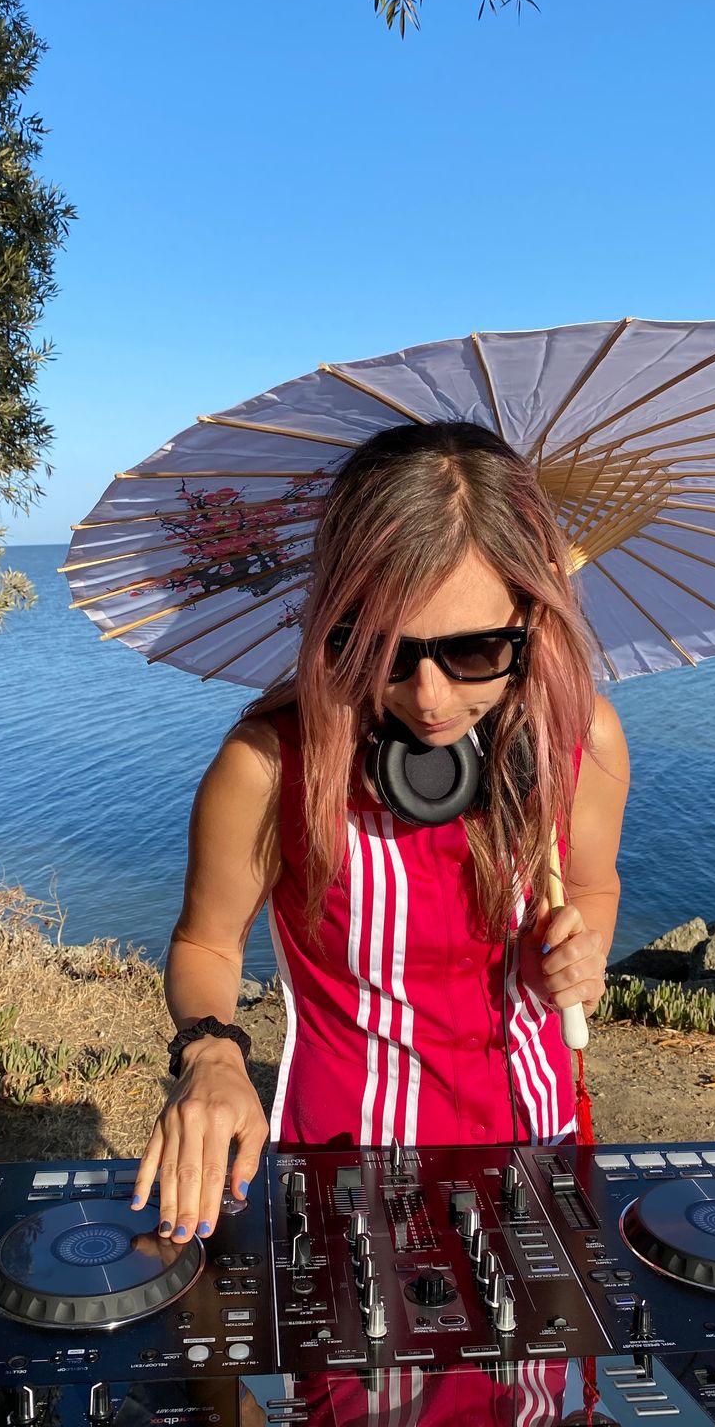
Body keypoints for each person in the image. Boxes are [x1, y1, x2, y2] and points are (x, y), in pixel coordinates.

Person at [131, 421, 630, 1245]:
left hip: (540, 1146)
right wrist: (213, 1053)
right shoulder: (268, 767)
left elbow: (592, 886)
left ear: (532, 619)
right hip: (345, 1168)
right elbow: (207, 945)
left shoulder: (584, 741)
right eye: (383, 649)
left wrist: (585, 950)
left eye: (475, 650)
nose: (430, 699)